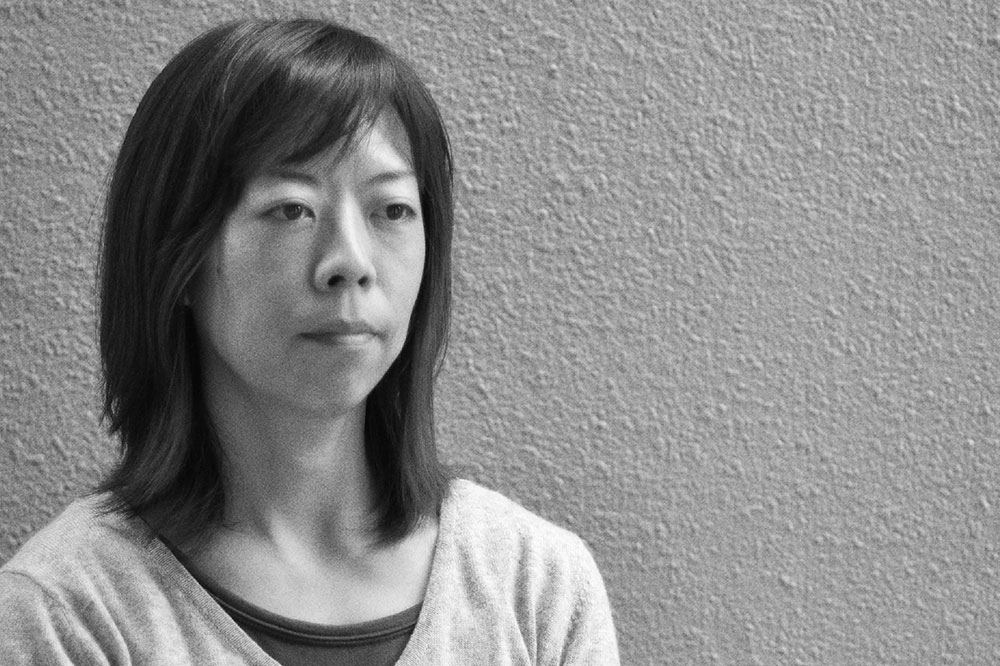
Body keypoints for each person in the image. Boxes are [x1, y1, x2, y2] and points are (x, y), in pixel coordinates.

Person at [0, 18, 619, 665]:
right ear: (176, 257)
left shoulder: (536, 587)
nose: (349, 261)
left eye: (391, 210)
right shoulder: (62, 615)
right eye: (291, 209)